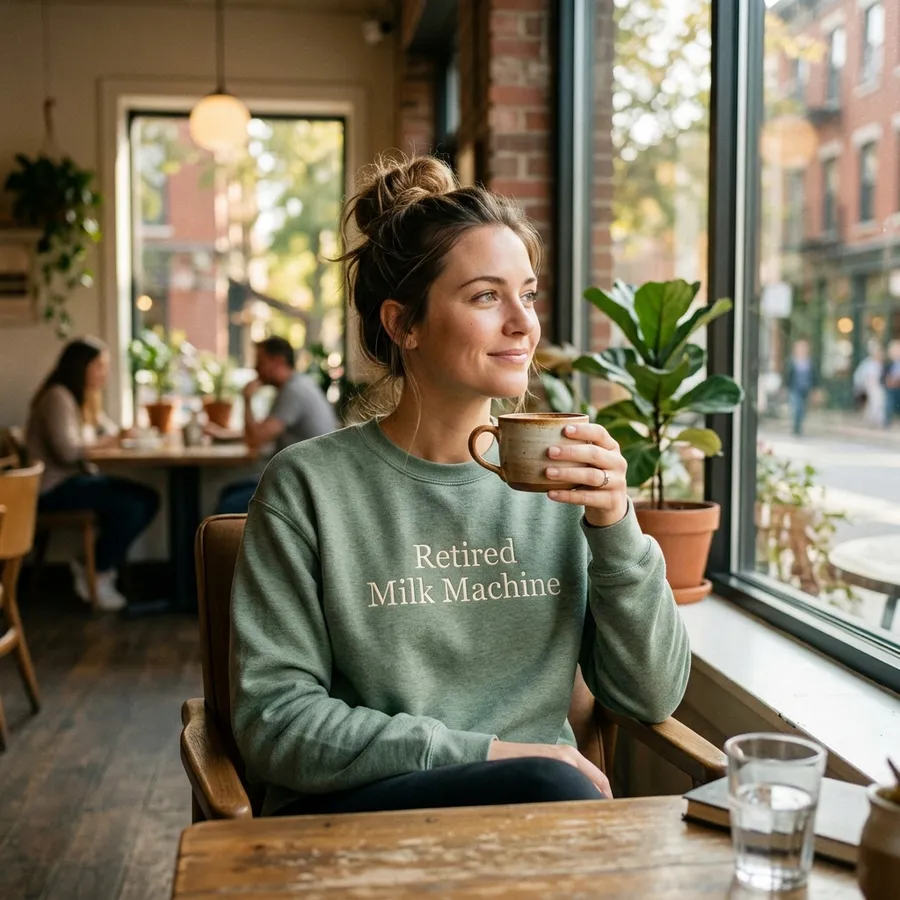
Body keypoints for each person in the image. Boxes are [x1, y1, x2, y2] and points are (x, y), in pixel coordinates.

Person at [229, 156, 690, 818]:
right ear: (402, 324)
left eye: (527, 294)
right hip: (363, 821)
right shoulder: (309, 486)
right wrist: (496, 755)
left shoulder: (563, 483)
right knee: (558, 792)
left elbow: (652, 696)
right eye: (484, 296)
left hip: (533, 828)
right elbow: (274, 723)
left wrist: (617, 525)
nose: (524, 324)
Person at [26, 337, 160, 612]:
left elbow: (107, 433)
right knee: (134, 504)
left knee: (146, 498)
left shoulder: (83, 399)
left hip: (75, 481)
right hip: (53, 489)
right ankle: (96, 570)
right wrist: (114, 440)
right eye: (99, 365)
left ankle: (95, 565)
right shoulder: (58, 397)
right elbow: (68, 451)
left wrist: (122, 435)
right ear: (80, 366)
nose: (104, 373)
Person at [213, 336, 338, 514]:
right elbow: (262, 431)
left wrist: (247, 399)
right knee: (228, 492)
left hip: (306, 487)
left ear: (278, 361)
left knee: (229, 505)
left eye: (259, 361)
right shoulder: (297, 385)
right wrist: (223, 434)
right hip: (303, 478)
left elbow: (254, 440)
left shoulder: (294, 391)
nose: (255, 368)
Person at [785, 338, 816, 437]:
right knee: (796, 407)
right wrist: (785, 388)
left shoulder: (810, 362)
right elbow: (787, 376)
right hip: (794, 389)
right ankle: (796, 427)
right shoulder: (792, 362)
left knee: (803, 409)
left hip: (806, 389)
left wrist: (816, 389)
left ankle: (799, 426)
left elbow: (814, 377)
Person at [853, 342, 887, 428]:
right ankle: (875, 420)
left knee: (877, 399)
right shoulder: (869, 363)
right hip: (866, 386)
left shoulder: (879, 363)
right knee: (876, 399)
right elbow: (867, 379)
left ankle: (876, 420)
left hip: (874, 386)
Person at [883, 340, 900, 427]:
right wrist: (888, 381)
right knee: (889, 397)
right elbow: (883, 377)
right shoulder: (888, 364)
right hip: (891, 388)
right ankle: (887, 421)